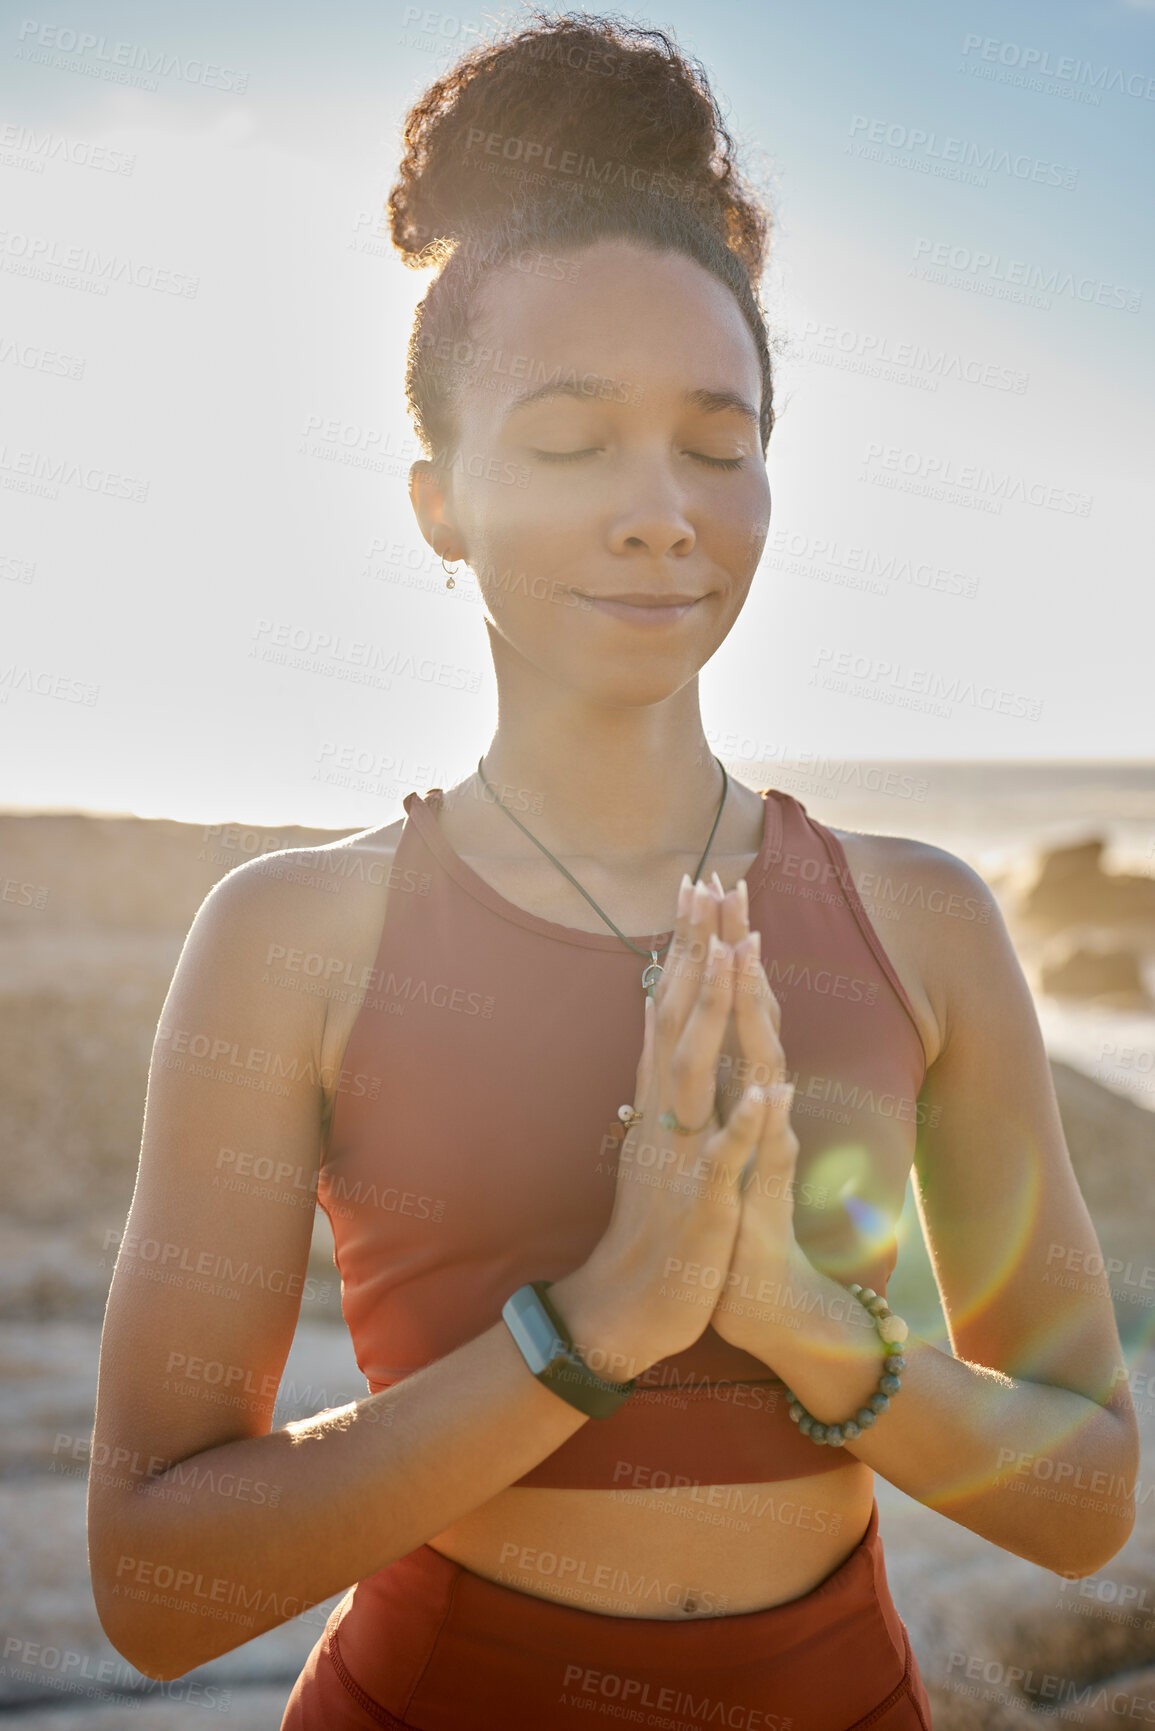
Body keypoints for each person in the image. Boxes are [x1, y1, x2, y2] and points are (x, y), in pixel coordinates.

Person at [87, 11, 1139, 1729]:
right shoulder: (295, 936)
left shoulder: (922, 918)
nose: (662, 508)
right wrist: (588, 1327)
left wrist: (811, 1336)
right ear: (438, 499)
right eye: (572, 443)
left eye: (719, 444)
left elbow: (1089, 1494)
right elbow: (150, 1584)